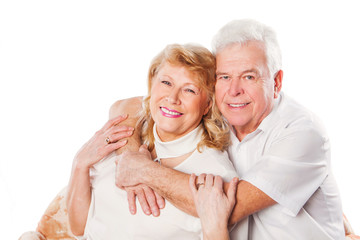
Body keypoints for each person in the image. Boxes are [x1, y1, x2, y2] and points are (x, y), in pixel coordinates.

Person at [115, 19, 345, 239]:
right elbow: (128, 106)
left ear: (276, 83)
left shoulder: (302, 131)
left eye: (248, 76)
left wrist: (143, 170)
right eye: (224, 76)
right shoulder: (221, 110)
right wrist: (130, 153)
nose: (234, 90)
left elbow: (225, 208)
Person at [66, 43, 239, 239]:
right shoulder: (122, 136)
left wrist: (146, 173)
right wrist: (79, 165)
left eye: (189, 90)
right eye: (166, 83)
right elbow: (79, 229)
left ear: (208, 104)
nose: (172, 98)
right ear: (151, 85)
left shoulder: (215, 173)